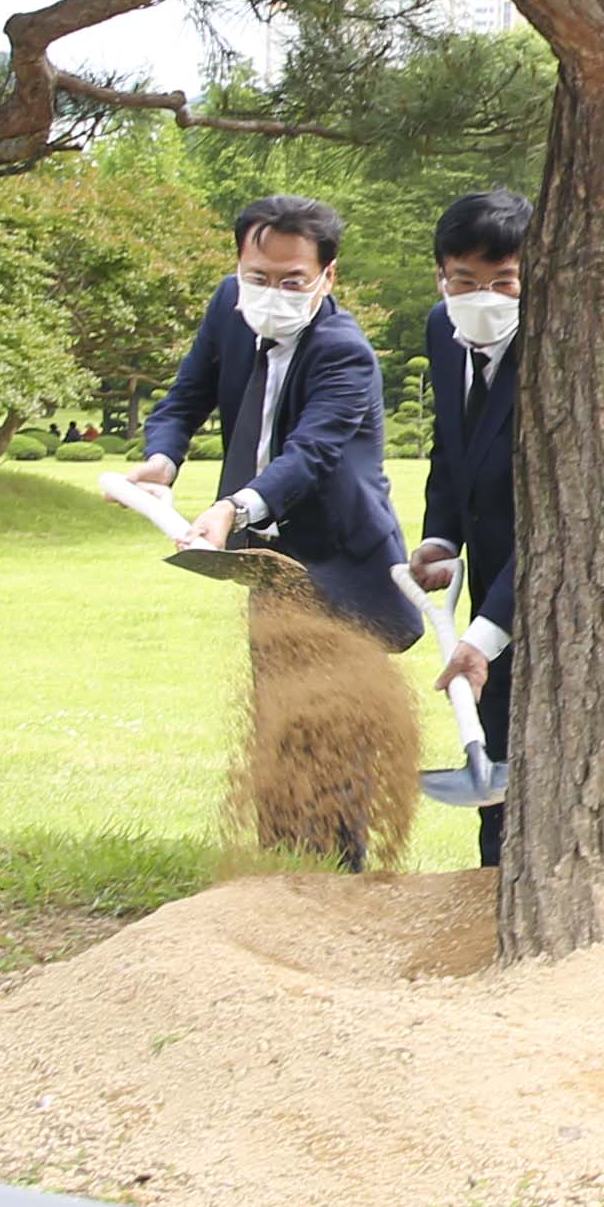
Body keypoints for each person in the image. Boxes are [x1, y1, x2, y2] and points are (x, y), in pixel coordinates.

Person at [130, 194, 424, 660]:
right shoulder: (230, 303)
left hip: (340, 565)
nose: (272, 293)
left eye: (293, 281)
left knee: (344, 717)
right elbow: (186, 395)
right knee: (277, 712)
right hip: (268, 564)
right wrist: (162, 460)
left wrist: (232, 509)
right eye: (258, 277)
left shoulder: (344, 352)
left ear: (328, 277)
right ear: (239, 266)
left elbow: (311, 455)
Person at [406, 188, 530, 868]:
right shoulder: (440, 330)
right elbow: (450, 450)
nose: (483, 296)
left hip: (564, 592)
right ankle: (494, 881)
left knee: (546, 754)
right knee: (495, 740)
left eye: (504, 282)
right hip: (487, 573)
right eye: (465, 281)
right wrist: (439, 539)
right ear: (442, 277)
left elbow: (557, 522)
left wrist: (483, 635)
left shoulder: (563, 350)